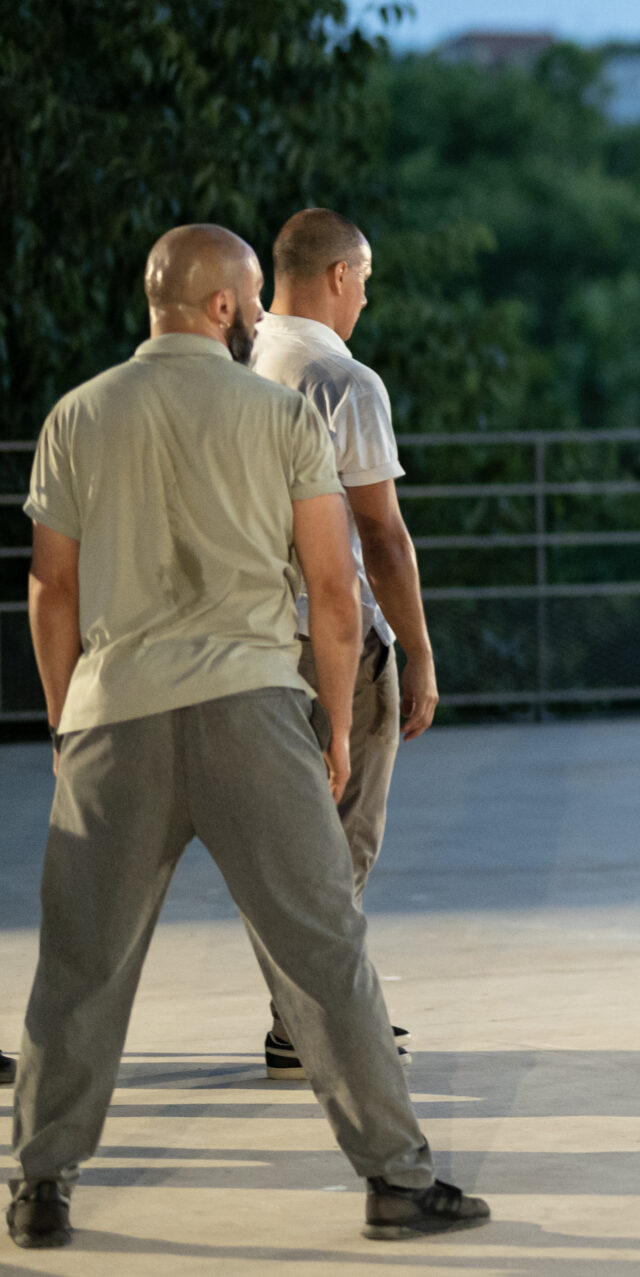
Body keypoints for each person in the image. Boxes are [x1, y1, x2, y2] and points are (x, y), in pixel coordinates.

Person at [10, 224, 487, 1248]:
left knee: (80, 962)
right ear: (222, 304)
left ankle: (42, 1185)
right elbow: (333, 590)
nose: (264, 316)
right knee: (324, 949)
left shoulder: (77, 415)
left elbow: (50, 586)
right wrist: (335, 724)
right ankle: (397, 1182)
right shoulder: (281, 416)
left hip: (114, 714)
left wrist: (64, 716)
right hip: (252, 707)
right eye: (255, 300)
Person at [250, 208, 436, 1082]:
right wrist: (418, 651)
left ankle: (301, 1017)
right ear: (337, 275)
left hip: (248, 637)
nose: (366, 295)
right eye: (365, 278)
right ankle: (318, 1024)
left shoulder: (240, 357)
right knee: (340, 842)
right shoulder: (339, 379)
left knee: (281, 844)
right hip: (331, 637)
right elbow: (382, 536)